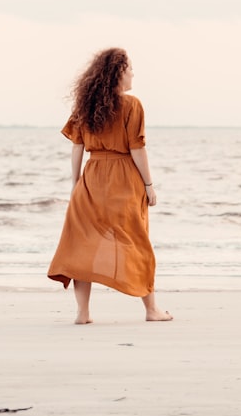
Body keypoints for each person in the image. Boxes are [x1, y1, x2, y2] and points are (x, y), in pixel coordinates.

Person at [47, 48, 173, 324]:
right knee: (136, 242)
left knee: (81, 246)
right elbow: (137, 149)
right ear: (118, 73)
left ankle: (83, 314)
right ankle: (151, 310)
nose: (133, 74)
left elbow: (77, 147)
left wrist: (76, 184)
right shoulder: (132, 105)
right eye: (129, 70)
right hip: (124, 178)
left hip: (91, 178)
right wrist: (149, 185)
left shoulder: (84, 106)